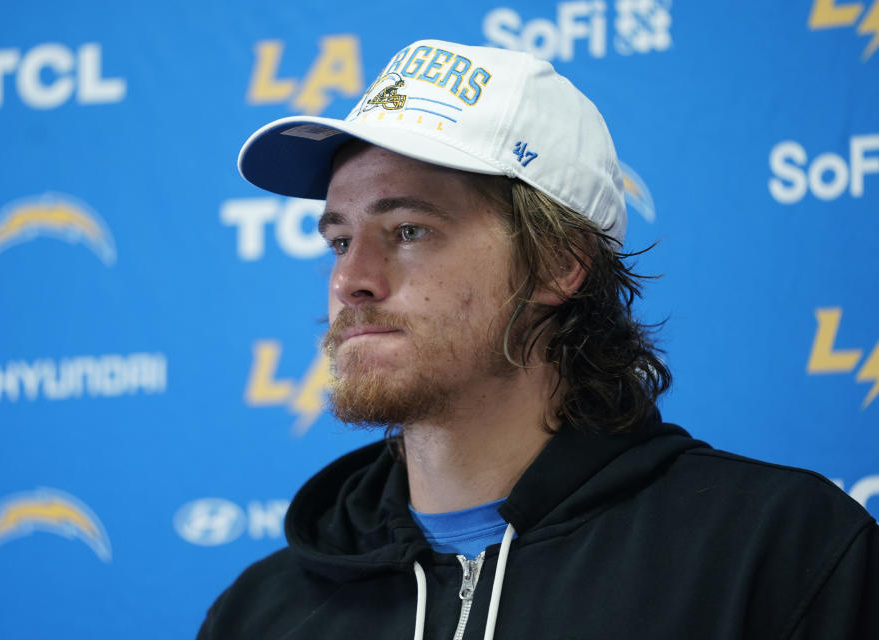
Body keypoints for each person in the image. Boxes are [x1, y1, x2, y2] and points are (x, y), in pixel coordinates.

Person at [198, 39, 878, 639]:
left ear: (558, 262)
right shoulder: (261, 611)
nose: (352, 280)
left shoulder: (775, 554)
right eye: (340, 240)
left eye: (408, 231)